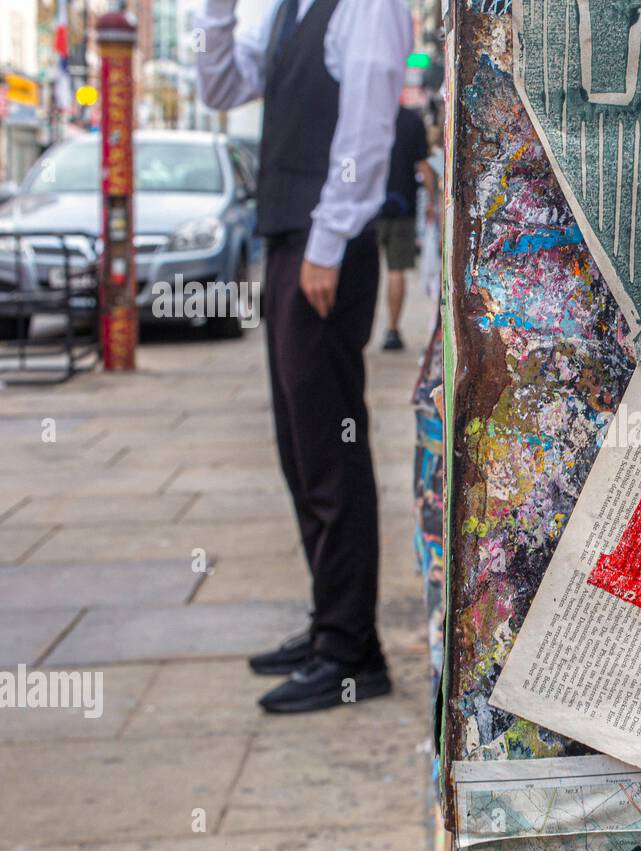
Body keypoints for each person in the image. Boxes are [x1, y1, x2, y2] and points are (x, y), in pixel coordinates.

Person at [194, 0, 412, 712]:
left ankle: (353, 653)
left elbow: (367, 125)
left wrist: (327, 241)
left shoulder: (366, 5)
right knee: (300, 448)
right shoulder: (288, 11)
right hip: (289, 241)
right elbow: (220, 87)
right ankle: (329, 628)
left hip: (325, 247)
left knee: (330, 452)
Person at [377, 106, 433, 352]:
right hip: (402, 206)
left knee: (360, 268)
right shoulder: (410, 120)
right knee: (396, 270)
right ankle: (392, 330)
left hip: (367, 209)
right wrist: (433, 201)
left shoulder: (366, 114)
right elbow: (422, 165)